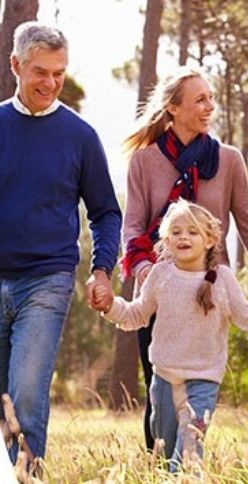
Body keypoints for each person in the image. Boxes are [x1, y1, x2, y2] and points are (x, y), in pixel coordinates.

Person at [121, 66, 248, 451]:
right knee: (159, 392)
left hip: (208, 291)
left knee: (199, 394)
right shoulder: (144, 161)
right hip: (161, 291)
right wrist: (147, 275)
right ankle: (158, 467)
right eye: (200, 99)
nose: (209, 107)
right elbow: (133, 226)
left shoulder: (229, 160)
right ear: (173, 108)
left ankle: (187, 465)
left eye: (211, 98)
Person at [94, 200, 248, 470]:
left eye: (192, 232)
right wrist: (110, 306)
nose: (184, 237)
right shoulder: (161, 275)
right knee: (166, 452)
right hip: (165, 379)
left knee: (188, 454)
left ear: (210, 239)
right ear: (166, 239)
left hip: (203, 381)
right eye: (176, 232)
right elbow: (136, 315)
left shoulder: (222, 280)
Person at [0, 22, 121, 465]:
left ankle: (27, 477)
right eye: (40, 72)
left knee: (27, 392)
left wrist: (102, 269)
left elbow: (106, 211)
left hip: (46, 279)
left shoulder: (80, 137)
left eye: (59, 73)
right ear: (16, 65)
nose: (51, 83)